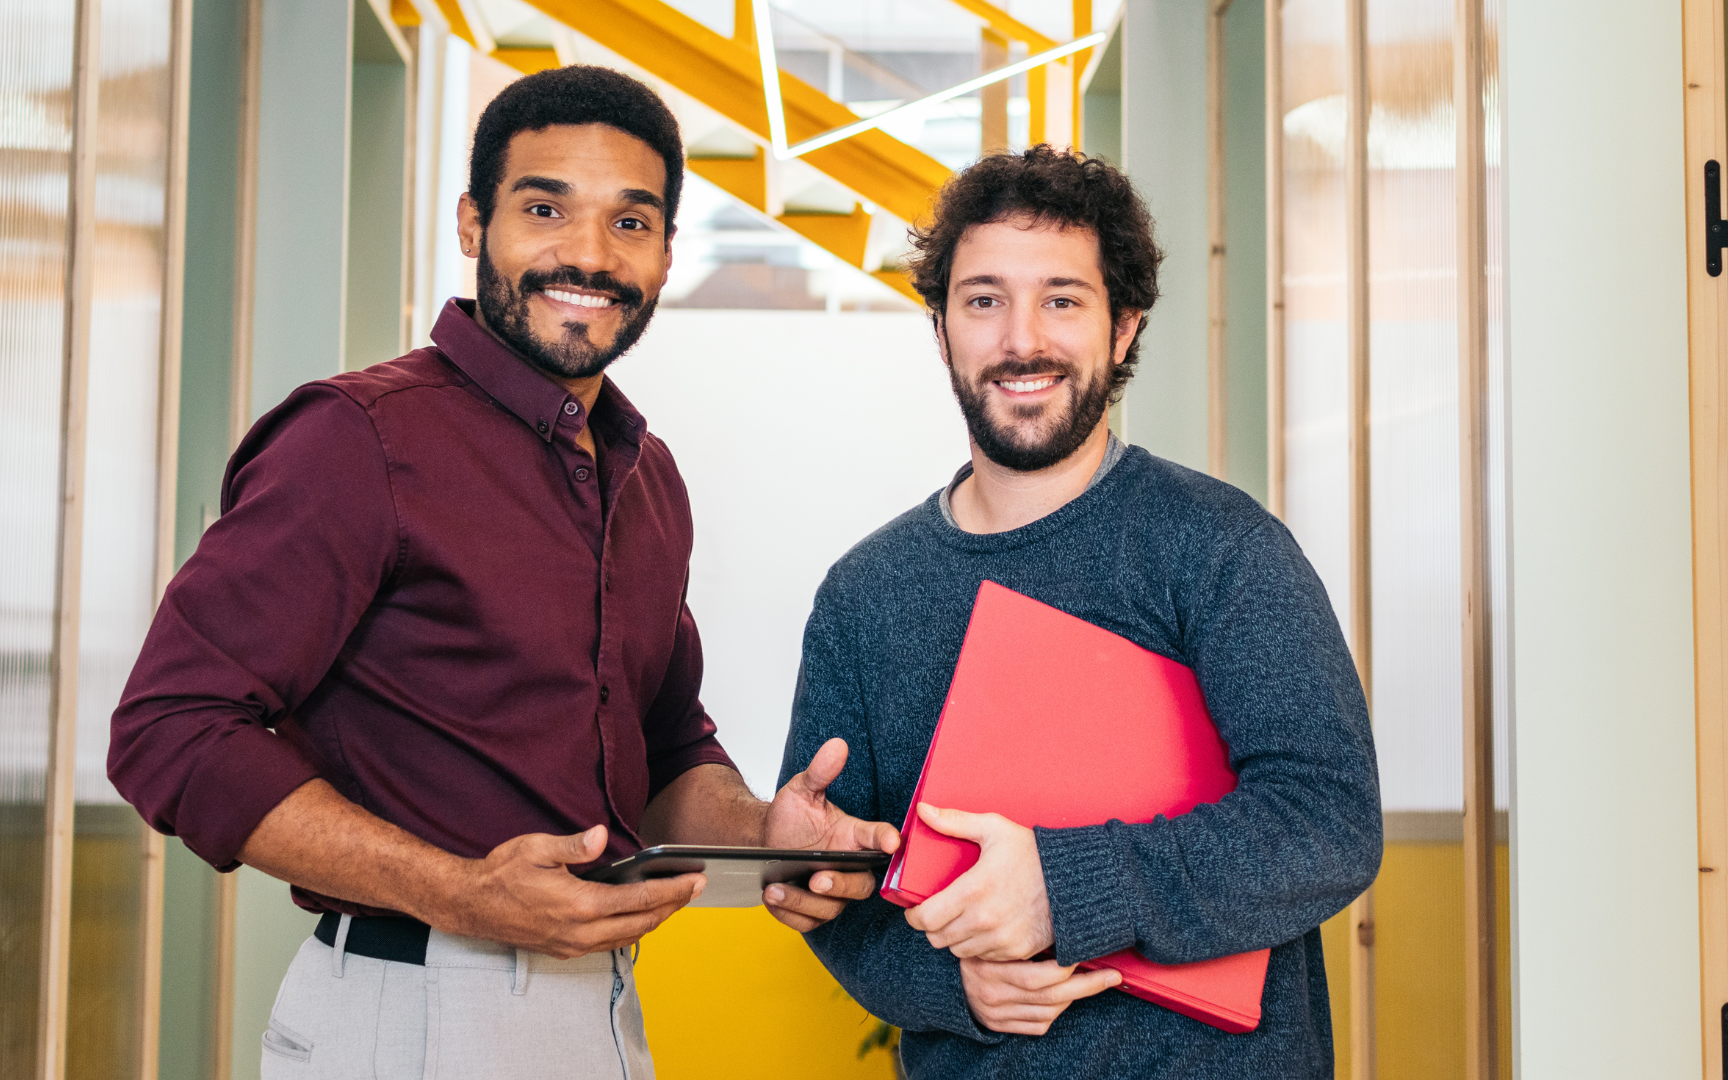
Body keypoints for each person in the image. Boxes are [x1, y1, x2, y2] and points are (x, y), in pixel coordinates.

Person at [110, 65, 895, 1080]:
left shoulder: (645, 475)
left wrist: (760, 833)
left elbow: (662, 749)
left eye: (630, 223)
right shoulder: (357, 440)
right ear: (473, 225)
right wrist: (456, 891)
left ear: (665, 253)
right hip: (412, 1008)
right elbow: (169, 728)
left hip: (598, 1007)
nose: (587, 254)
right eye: (543, 208)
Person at [777, 146, 1383, 1078]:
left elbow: (1328, 823)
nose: (1023, 340)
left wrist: (1064, 888)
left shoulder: (1221, 547)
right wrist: (955, 989)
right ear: (941, 330)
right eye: (983, 300)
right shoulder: (864, 595)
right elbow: (844, 898)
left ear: (1125, 327)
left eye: (1062, 299)